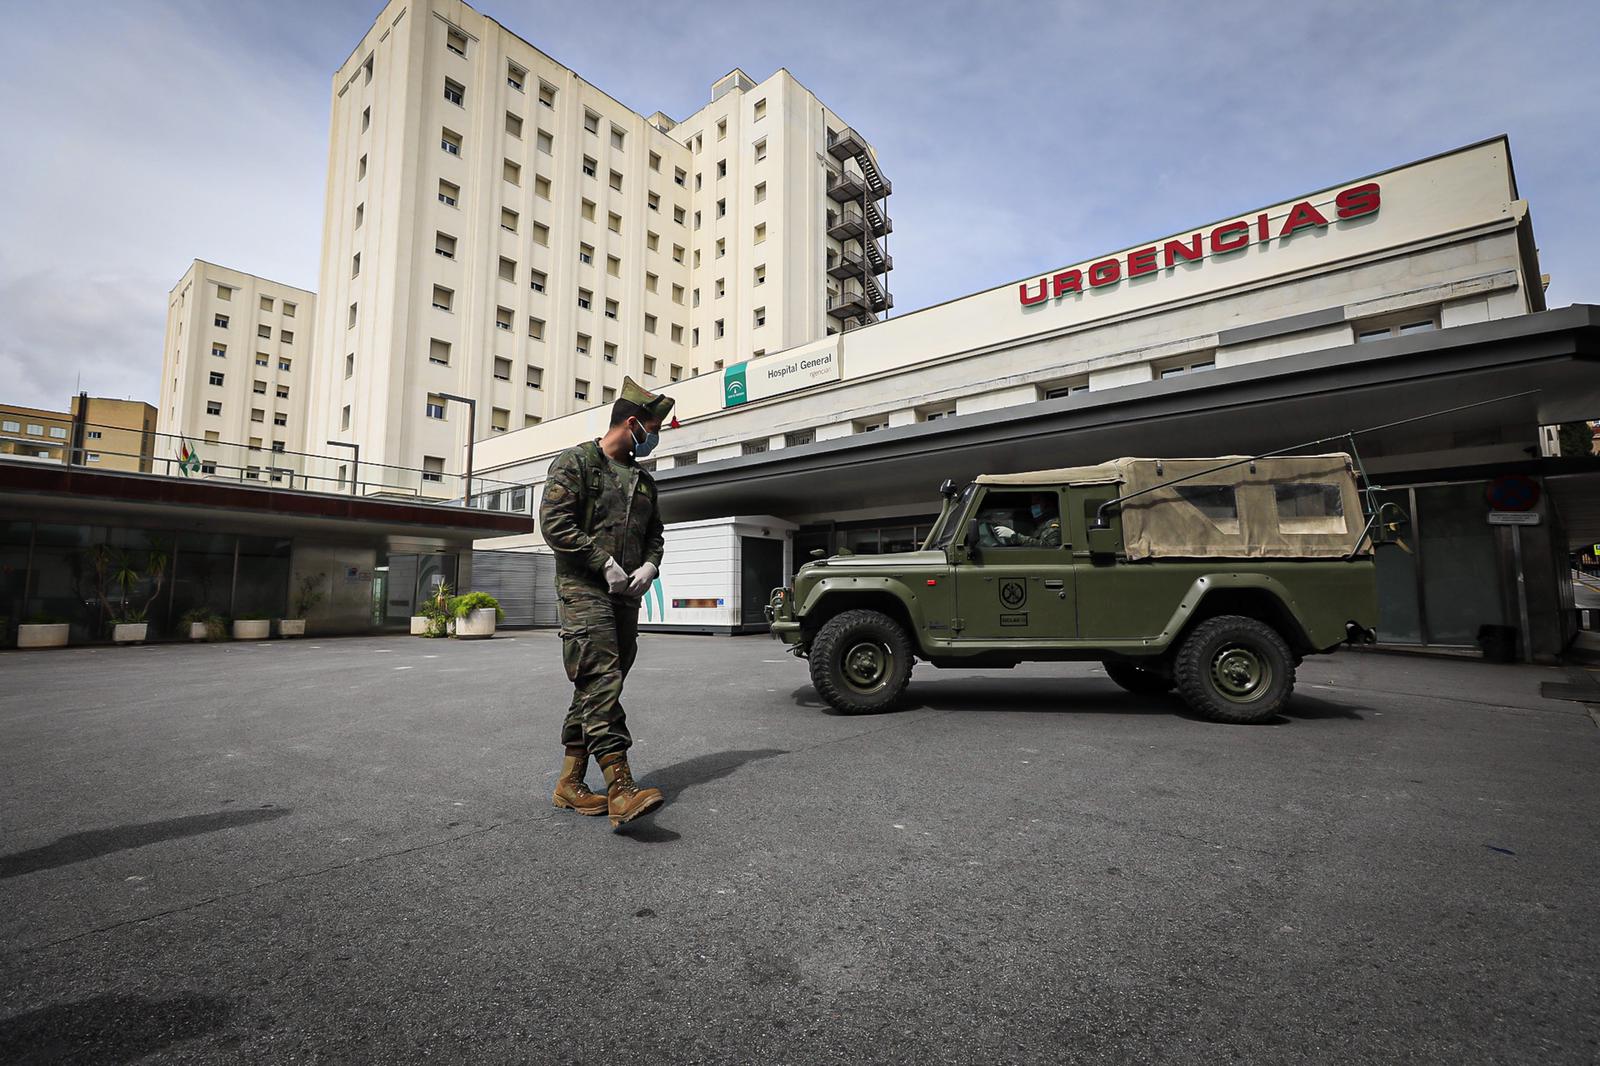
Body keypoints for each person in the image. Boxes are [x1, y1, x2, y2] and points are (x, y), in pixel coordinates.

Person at [538, 376, 673, 830]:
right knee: (602, 678)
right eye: (652, 429)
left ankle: (569, 783)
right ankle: (620, 787)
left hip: (625, 597)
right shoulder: (576, 462)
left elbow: (655, 535)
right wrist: (602, 562)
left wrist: (650, 567)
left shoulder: (642, 480)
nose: (654, 438)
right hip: (584, 590)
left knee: (595, 685)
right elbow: (555, 524)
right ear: (632, 423)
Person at [991, 493, 1063, 547]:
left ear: (1048, 504)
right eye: (1032, 503)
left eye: (1037, 502)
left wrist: (1015, 537)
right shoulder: (1040, 523)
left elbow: (1049, 548)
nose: (1034, 506)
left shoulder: (1053, 523)